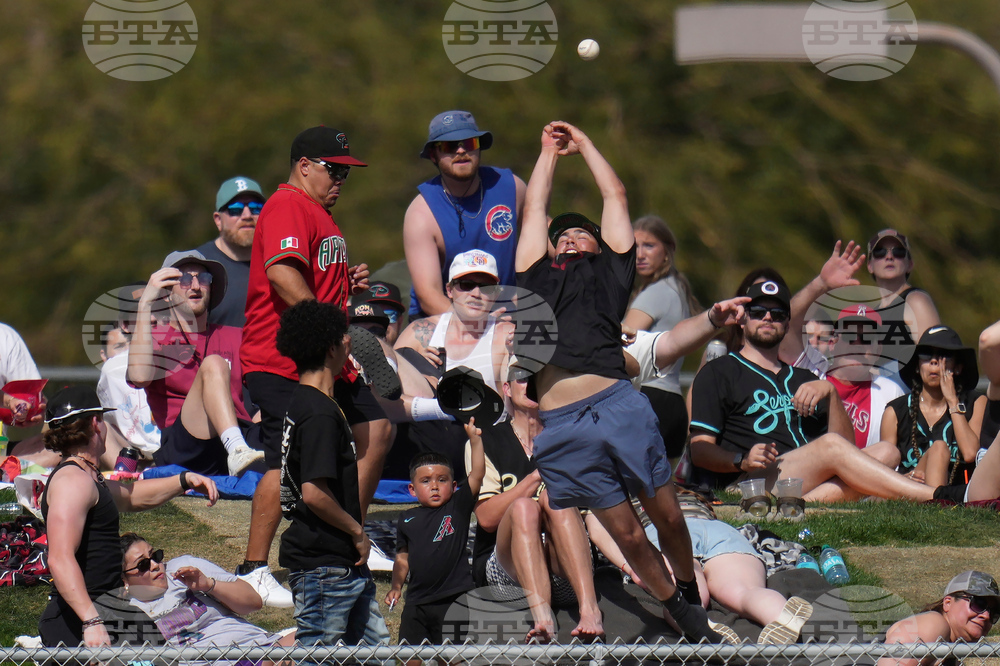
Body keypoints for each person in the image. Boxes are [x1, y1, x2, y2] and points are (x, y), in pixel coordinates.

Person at [514, 120, 734, 643]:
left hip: (616, 405)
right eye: (560, 235)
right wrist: (547, 152)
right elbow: (534, 210)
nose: (569, 236)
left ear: (602, 244)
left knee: (667, 517)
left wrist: (584, 144)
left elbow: (615, 193)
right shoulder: (533, 276)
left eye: (580, 231)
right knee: (629, 535)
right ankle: (684, 616)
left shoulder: (611, 273)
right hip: (563, 425)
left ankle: (683, 584)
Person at [238, 126, 392, 602]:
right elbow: (282, 273)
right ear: (304, 166)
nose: (341, 178)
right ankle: (253, 568)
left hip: (326, 356)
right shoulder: (287, 203)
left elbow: (312, 273)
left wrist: (346, 284)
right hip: (283, 355)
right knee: (284, 460)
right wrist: (327, 321)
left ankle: (347, 539)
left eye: (346, 171)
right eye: (333, 168)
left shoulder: (320, 215)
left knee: (376, 429)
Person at [688, 277, 936, 503]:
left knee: (888, 452)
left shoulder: (804, 378)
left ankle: (801, 507)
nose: (767, 318)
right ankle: (933, 496)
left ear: (787, 325)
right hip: (749, 481)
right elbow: (699, 450)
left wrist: (831, 393)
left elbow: (845, 448)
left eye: (777, 314)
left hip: (804, 479)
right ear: (743, 320)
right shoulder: (719, 371)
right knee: (830, 447)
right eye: (758, 312)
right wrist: (740, 459)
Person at [37, 385, 218, 648]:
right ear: (97, 424)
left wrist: (183, 480)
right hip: (80, 618)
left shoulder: (85, 477)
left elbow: (131, 496)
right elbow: (60, 558)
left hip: (107, 610)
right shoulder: (72, 482)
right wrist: (91, 621)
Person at [276, 299, 390, 647]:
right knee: (317, 652)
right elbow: (313, 492)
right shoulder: (320, 414)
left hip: (342, 561)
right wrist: (357, 531)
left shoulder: (307, 402)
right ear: (330, 348)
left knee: (376, 651)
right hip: (324, 565)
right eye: (344, 337)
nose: (350, 342)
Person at [467, 362, 605, 642]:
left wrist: (628, 565)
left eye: (536, 378)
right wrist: (534, 478)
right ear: (506, 389)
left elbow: (593, 516)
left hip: (566, 572)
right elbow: (486, 518)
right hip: (510, 577)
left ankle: (590, 610)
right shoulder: (485, 440)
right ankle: (543, 619)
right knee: (524, 507)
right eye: (521, 378)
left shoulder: (571, 439)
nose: (529, 384)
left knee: (554, 497)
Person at [127, 250, 264, 478]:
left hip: (238, 434)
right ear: (167, 293)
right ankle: (237, 450)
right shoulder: (155, 339)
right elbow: (140, 377)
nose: (195, 285)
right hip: (185, 447)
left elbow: (270, 386)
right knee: (213, 365)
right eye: (183, 279)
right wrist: (145, 303)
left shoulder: (236, 336)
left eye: (203, 278)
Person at [588, 515, 814, 644]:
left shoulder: (622, 489)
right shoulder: (678, 484)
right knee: (744, 591)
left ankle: (703, 629)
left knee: (680, 595)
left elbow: (596, 525)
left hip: (659, 530)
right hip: (720, 530)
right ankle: (781, 615)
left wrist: (631, 566)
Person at [404, 110, 525, 318]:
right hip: (444, 319)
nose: (461, 151)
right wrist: (480, 327)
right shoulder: (421, 213)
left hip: (507, 315)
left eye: (469, 143)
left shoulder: (511, 187)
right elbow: (429, 295)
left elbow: (544, 233)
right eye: (449, 146)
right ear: (433, 155)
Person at [120, 532, 295, 659]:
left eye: (155, 556)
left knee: (312, 640)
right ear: (124, 580)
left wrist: (209, 585)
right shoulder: (125, 613)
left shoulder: (183, 568)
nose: (155, 565)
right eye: (143, 565)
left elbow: (254, 602)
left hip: (259, 650)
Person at [386, 434, 485, 652]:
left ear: (454, 485)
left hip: (454, 599)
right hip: (416, 602)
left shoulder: (457, 507)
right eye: (426, 481)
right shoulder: (406, 519)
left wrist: (475, 440)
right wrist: (396, 586)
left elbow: (477, 474)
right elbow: (403, 557)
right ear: (412, 489)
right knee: (408, 656)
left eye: (442, 480)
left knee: (451, 657)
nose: (434, 486)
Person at [623, 215, 700, 460]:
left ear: (667, 251)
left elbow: (621, 343)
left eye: (649, 245)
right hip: (671, 403)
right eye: (634, 246)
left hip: (650, 398)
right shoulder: (676, 289)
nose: (640, 254)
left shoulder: (657, 293)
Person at [395, 249, 511, 396]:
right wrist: (415, 367)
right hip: (432, 417)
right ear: (449, 290)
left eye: (486, 287)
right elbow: (386, 384)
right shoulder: (421, 332)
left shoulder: (507, 337)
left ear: (495, 294)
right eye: (466, 285)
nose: (476, 294)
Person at [881, 326, 986, 488]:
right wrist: (904, 478)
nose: (934, 361)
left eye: (944, 355)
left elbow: (970, 453)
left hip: (955, 494)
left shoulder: (976, 402)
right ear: (917, 366)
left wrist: (952, 401)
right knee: (937, 449)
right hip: (907, 491)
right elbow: (882, 471)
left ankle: (935, 503)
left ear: (958, 367)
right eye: (926, 354)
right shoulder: (895, 411)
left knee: (939, 448)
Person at [825, 305, 906, 449]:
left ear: (878, 350)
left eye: (866, 338)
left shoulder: (890, 392)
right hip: (814, 468)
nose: (857, 344)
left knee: (888, 452)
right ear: (832, 343)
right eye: (849, 336)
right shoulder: (813, 375)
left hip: (861, 469)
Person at [879, 571, 999, 666]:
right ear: (947, 603)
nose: (986, 616)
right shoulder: (934, 624)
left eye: (994, 612)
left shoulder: (953, 654)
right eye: (978, 603)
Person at [195, 176, 267, 327]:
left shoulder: (280, 263)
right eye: (235, 209)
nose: (247, 216)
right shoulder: (196, 266)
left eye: (255, 208)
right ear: (218, 220)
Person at [867, 229, 940, 348]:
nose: (889, 257)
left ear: (910, 265)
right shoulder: (872, 314)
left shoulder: (916, 301)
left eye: (898, 252)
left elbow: (934, 356)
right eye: (880, 252)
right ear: (870, 266)